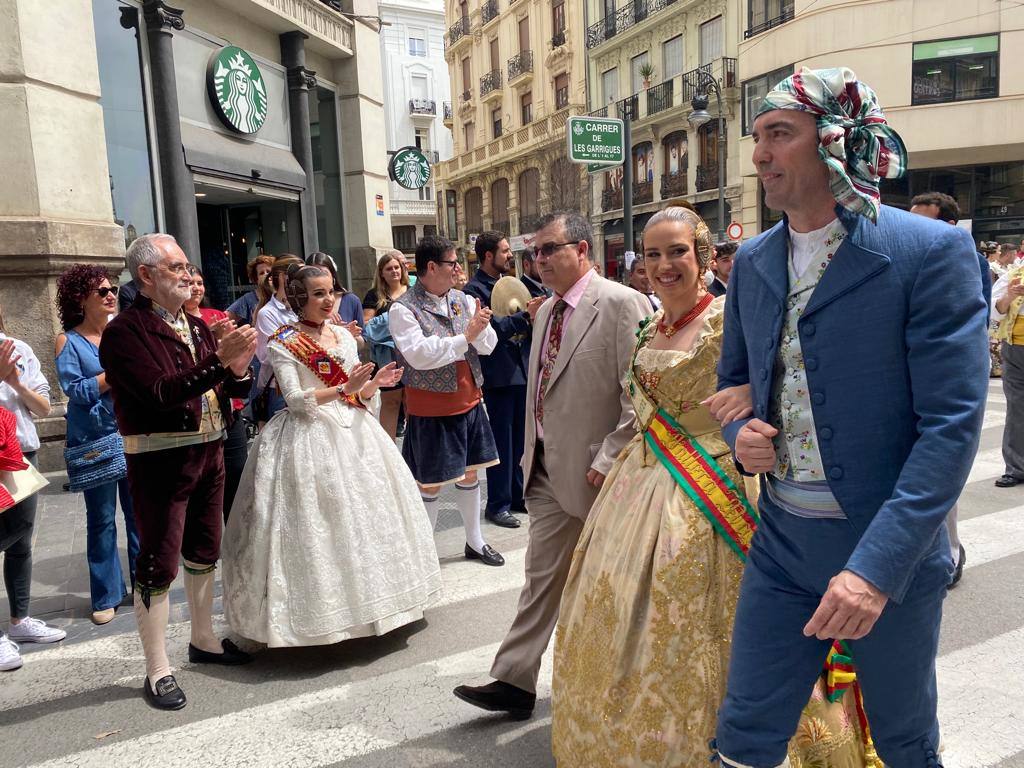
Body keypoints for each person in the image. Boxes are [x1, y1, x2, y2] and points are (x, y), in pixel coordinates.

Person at [713, 67, 986, 768]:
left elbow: (951, 425)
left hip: (886, 553)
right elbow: (733, 384)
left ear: (834, 143)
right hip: (782, 548)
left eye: (779, 134)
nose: (760, 155)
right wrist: (740, 437)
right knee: (744, 733)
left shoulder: (926, 253)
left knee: (902, 740)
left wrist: (873, 571)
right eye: (758, 137)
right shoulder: (751, 260)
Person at [552, 206, 878, 767]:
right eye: (652, 254)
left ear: (704, 257)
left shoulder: (731, 317)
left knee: (722, 627)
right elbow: (641, 410)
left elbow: (786, 385)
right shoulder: (649, 325)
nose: (663, 265)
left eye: (677, 251)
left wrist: (754, 411)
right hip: (642, 481)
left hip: (720, 483)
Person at [453, 211, 649, 719]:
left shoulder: (622, 303)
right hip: (541, 471)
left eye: (548, 250)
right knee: (540, 581)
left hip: (595, 474)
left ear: (582, 250)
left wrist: (610, 458)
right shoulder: (544, 312)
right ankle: (515, 681)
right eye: (533, 252)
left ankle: (617, 687)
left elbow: (640, 395)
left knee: (609, 586)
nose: (537, 261)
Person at [222, 265, 441, 646]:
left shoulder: (342, 335)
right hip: (307, 436)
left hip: (355, 433)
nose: (328, 300)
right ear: (298, 298)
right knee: (319, 524)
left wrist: (373, 385)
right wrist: (346, 388)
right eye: (318, 294)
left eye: (331, 292)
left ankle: (379, 607)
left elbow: (356, 394)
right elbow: (294, 401)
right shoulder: (283, 342)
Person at [100, 233, 257, 711]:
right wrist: (220, 362)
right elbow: (163, 392)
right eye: (178, 267)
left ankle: (203, 639)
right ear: (146, 276)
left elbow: (227, 386)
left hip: (209, 449)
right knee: (159, 562)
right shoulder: (126, 332)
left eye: (189, 267)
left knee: (205, 550)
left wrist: (239, 369)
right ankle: (157, 667)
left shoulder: (197, 324)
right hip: (160, 457)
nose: (190, 276)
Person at [389, 235, 504, 567]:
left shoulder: (464, 300)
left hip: (468, 400)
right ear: (431, 267)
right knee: (431, 482)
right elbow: (419, 356)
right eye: (453, 263)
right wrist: (465, 336)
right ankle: (425, 554)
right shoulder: (403, 308)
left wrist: (481, 329)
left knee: (470, 474)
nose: (458, 269)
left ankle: (475, 541)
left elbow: (488, 347)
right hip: (431, 407)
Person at [910, 191, 990, 587]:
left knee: (940, 478)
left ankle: (950, 555)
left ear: (951, 225)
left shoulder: (966, 260)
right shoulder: (907, 256)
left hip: (946, 383)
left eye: (927, 221)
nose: (917, 230)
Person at [54, 265, 139, 626]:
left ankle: (147, 585)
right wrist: (111, 375)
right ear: (80, 298)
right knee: (102, 520)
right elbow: (75, 391)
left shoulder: (124, 332)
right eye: (100, 290)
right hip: (97, 440)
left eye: (112, 289)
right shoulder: (68, 341)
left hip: (133, 432)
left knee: (140, 515)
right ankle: (106, 595)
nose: (110, 294)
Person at [464, 231, 545, 530]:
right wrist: (524, 317)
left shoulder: (510, 284)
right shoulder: (474, 290)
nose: (511, 255)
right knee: (502, 443)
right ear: (488, 256)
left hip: (520, 369)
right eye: (505, 251)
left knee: (520, 441)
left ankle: (515, 495)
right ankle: (496, 504)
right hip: (498, 373)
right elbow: (492, 328)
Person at [0, 312, 60, 672]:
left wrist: (16, 384)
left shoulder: (18, 349)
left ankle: (20, 621)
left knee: (20, 540)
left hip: (21, 452)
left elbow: (43, 407)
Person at [185, 266, 248, 519]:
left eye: (200, 282)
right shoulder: (177, 322)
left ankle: (233, 534)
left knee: (236, 473)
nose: (196, 288)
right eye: (191, 283)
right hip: (197, 413)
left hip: (228, 406)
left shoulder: (217, 315)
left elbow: (236, 361)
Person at [362, 251, 410, 440]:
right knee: (390, 401)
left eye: (396, 267)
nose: (394, 272)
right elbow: (367, 325)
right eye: (389, 269)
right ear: (381, 273)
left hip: (411, 353)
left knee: (411, 400)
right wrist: (392, 316)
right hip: (387, 357)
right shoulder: (374, 295)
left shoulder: (413, 290)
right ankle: (389, 449)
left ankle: (416, 448)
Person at [254, 254, 303, 421]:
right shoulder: (267, 314)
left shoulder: (306, 307)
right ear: (284, 278)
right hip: (280, 388)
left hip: (308, 384)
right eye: (300, 274)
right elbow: (270, 355)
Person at [306, 252, 364, 329]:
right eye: (314, 273)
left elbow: (363, 338)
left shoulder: (351, 300)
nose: (320, 278)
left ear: (333, 276)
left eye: (324, 273)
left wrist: (348, 333)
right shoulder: (304, 303)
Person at [226, 254, 274, 327]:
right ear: (256, 279)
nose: (266, 275)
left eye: (268, 272)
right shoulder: (248, 299)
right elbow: (224, 319)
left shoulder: (283, 295)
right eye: (261, 273)